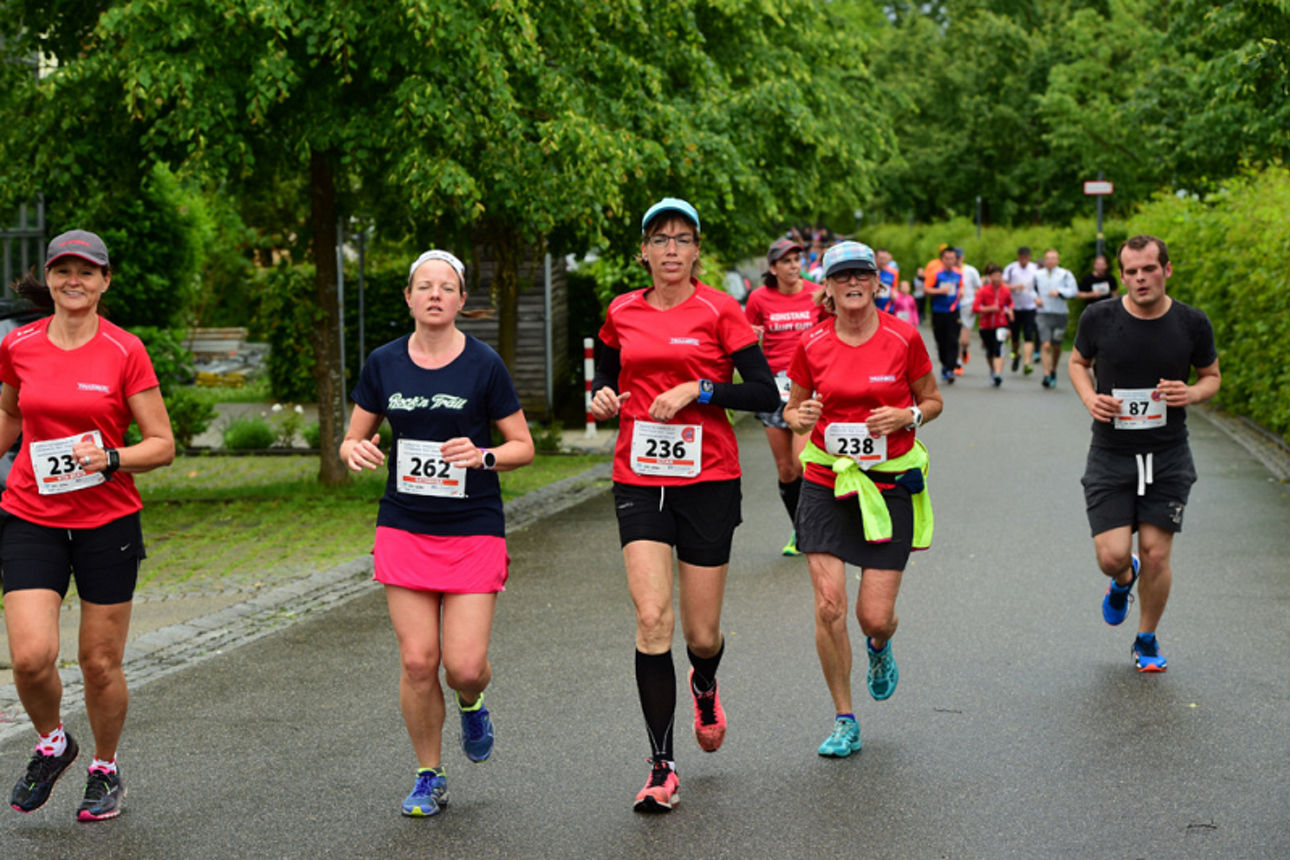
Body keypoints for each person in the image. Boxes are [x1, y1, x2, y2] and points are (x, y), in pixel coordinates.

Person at [589, 197, 777, 813]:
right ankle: (662, 766)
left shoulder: (720, 311)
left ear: (697, 252)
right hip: (639, 477)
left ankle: (705, 681)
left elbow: (763, 391)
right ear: (643, 251)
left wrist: (698, 389)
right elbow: (605, 379)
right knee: (652, 620)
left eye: (682, 239)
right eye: (660, 238)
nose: (671, 249)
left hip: (709, 477)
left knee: (699, 634)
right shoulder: (621, 310)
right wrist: (602, 400)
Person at [340, 249, 535, 817]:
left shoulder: (484, 365)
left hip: (473, 526)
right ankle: (430, 773)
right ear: (408, 297)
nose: (433, 295)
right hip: (404, 524)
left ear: (459, 300)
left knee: (463, 666)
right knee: (419, 661)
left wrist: (485, 456)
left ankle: (472, 703)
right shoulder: (383, 363)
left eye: (445, 287)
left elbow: (522, 445)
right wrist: (357, 450)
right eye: (423, 286)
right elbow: (353, 437)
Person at [1, 230, 175, 822]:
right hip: (30, 514)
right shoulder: (20, 344)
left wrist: (114, 456)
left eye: (86, 271)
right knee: (29, 657)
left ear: (105, 282)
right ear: (48, 278)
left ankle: (104, 767)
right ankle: (52, 743)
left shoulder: (125, 350)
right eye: (62, 270)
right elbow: (8, 413)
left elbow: (163, 444)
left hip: (107, 520)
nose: (73, 280)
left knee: (99, 662)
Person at [783, 241, 942, 758]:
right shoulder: (811, 345)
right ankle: (844, 718)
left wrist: (907, 418)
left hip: (888, 484)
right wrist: (799, 421)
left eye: (861, 274)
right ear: (826, 287)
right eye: (841, 276)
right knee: (829, 605)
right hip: (828, 482)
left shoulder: (903, 338)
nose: (852, 283)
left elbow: (932, 400)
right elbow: (793, 411)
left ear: (877, 283)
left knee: (872, 615)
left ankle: (879, 645)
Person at [1067, 235, 1220, 672]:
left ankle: (1146, 638)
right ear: (1122, 276)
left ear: (1166, 270)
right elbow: (1078, 363)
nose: (1140, 278)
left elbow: (1212, 377)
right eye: (1131, 272)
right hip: (1111, 452)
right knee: (1112, 556)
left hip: (1167, 454)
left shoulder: (1192, 323)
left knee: (1157, 552)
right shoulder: (1099, 317)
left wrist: (1190, 392)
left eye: (1149, 269)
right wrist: (1089, 398)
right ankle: (1122, 578)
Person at [744, 237, 827, 556]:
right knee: (786, 470)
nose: (794, 266)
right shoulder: (758, 299)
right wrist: (752, 341)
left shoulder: (815, 294)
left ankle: (816, 526)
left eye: (798, 260)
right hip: (772, 388)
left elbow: (830, 331)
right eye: (787, 261)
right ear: (774, 267)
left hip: (807, 386)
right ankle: (801, 530)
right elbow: (746, 345)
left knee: (802, 463)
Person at [1033, 248, 1078, 389]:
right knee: (1046, 344)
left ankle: (1053, 370)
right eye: (1048, 258)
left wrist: (1060, 292)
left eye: (1054, 258)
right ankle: (1046, 374)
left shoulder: (1065, 274)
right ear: (1044, 260)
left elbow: (1073, 291)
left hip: (1060, 314)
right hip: (1043, 313)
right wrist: (1036, 299)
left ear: (1058, 260)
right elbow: (1031, 291)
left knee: (1056, 345)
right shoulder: (1037, 275)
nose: (1051, 260)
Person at [923, 245, 962, 384]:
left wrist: (961, 292)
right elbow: (926, 289)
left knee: (953, 340)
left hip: (954, 311)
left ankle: (950, 368)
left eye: (952, 258)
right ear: (942, 259)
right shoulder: (936, 274)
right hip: (938, 311)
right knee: (941, 341)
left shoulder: (959, 273)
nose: (950, 261)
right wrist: (939, 291)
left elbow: (961, 286)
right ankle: (945, 364)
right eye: (947, 258)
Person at [972, 263, 1014, 387]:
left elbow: (1010, 303)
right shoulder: (983, 291)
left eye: (999, 276)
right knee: (990, 352)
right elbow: (975, 308)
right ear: (990, 277)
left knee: (999, 348)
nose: (997, 278)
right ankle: (993, 370)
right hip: (986, 326)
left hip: (1001, 324)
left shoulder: (1005, 290)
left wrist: (1009, 310)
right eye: (995, 276)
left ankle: (998, 374)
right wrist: (989, 308)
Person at [1003, 246, 1040, 374]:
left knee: (1029, 335)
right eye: (1021, 258)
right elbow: (1002, 285)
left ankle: (1027, 363)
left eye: (1026, 258)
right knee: (1015, 336)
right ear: (1018, 257)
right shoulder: (1011, 268)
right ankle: (1016, 354)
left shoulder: (1035, 269)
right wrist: (1013, 287)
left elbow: (1039, 285)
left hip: (1030, 306)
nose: (1024, 261)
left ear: (1029, 258)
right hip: (1014, 307)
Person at [954, 248, 981, 376]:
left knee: (965, 340)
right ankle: (958, 362)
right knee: (956, 335)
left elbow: (978, 287)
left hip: (968, 305)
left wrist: (976, 302)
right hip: (953, 307)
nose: (957, 259)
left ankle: (964, 349)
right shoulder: (949, 271)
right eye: (955, 257)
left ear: (963, 257)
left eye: (959, 257)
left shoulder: (971, 270)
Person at [873, 248, 900, 315]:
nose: (884, 261)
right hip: (873, 308)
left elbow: (895, 286)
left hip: (888, 308)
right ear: (875, 258)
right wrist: (873, 294)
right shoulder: (870, 272)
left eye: (886, 259)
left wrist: (894, 292)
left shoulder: (894, 272)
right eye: (881, 259)